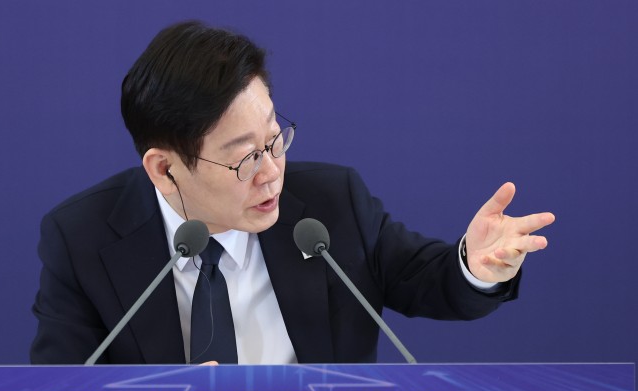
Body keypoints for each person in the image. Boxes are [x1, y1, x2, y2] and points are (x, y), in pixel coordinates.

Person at [30, 21, 555, 365]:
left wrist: (475, 266)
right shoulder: (82, 238)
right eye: (244, 158)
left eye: (274, 139)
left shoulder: (331, 204)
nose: (271, 172)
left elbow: (431, 282)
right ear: (165, 169)